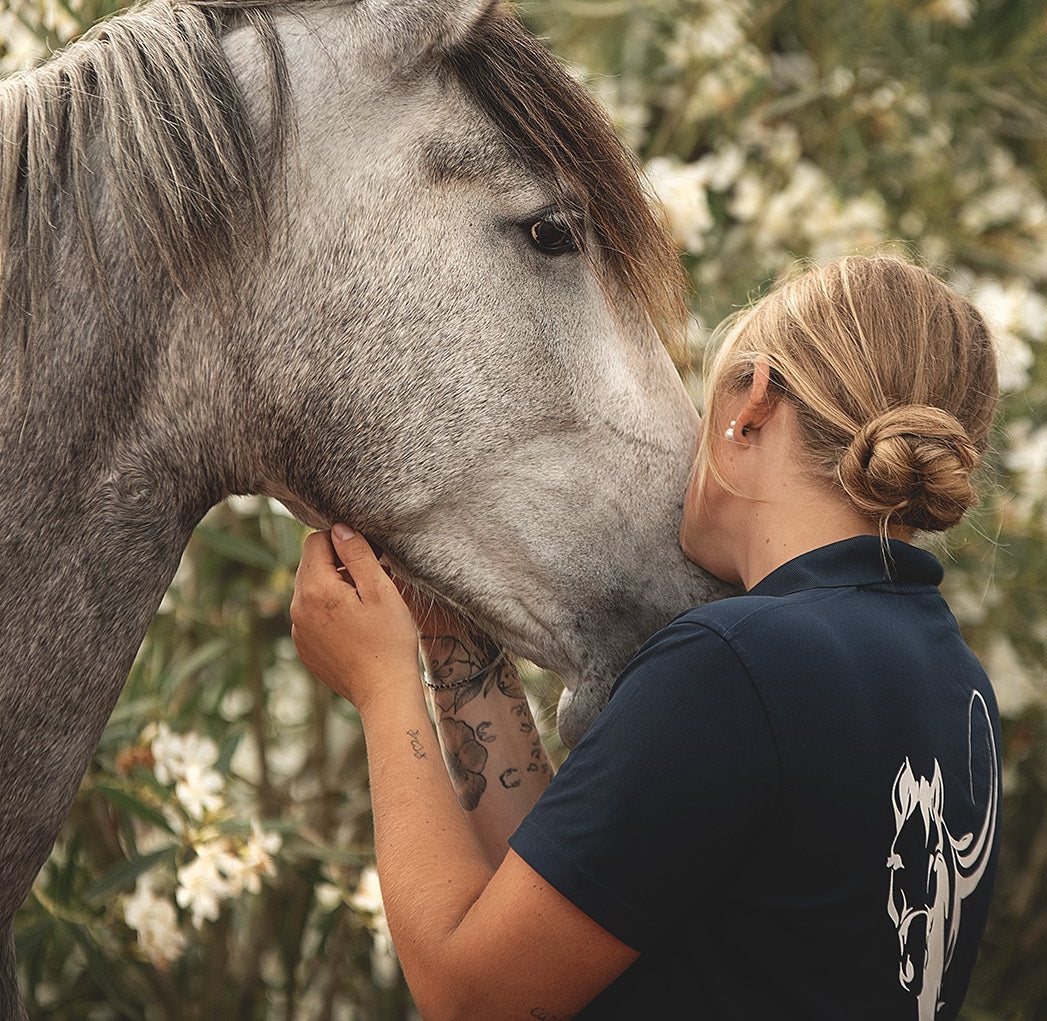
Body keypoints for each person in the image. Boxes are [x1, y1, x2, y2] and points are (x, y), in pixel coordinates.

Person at [289, 253, 1005, 1020]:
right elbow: (561, 904)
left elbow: (473, 997)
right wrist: (449, 637)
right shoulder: (956, 684)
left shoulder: (738, 662)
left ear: (752, 406)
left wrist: (380, 685)